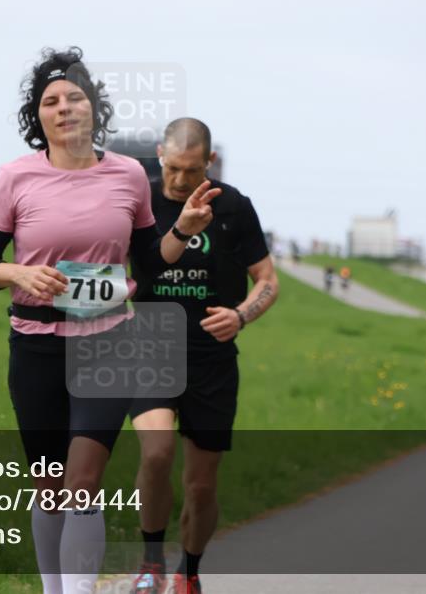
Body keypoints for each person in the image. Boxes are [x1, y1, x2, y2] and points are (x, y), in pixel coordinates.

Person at [0, 47, 220, 594]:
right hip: (34, 343)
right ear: (38, 117)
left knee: (83, 482)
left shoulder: (128, 175)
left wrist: (183, 229)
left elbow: (149, 260)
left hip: (107, 339)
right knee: (50, 485)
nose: (64, 108)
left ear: (93, 108)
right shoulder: (14, 179)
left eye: (75, 98)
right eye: (51, 101)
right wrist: (16, 274)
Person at [127, 118, 279, 594]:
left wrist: (241, 315)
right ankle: (151, 563)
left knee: (201, 486)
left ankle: (189, 572)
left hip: (212, 355)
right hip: (151, 341)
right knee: (156, 454)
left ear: (208, 163)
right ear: (159, 155)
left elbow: (268, 279)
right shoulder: (141, 199)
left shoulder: (233, 206)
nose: (178, 180)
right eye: (171, 168)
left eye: (190, 171)